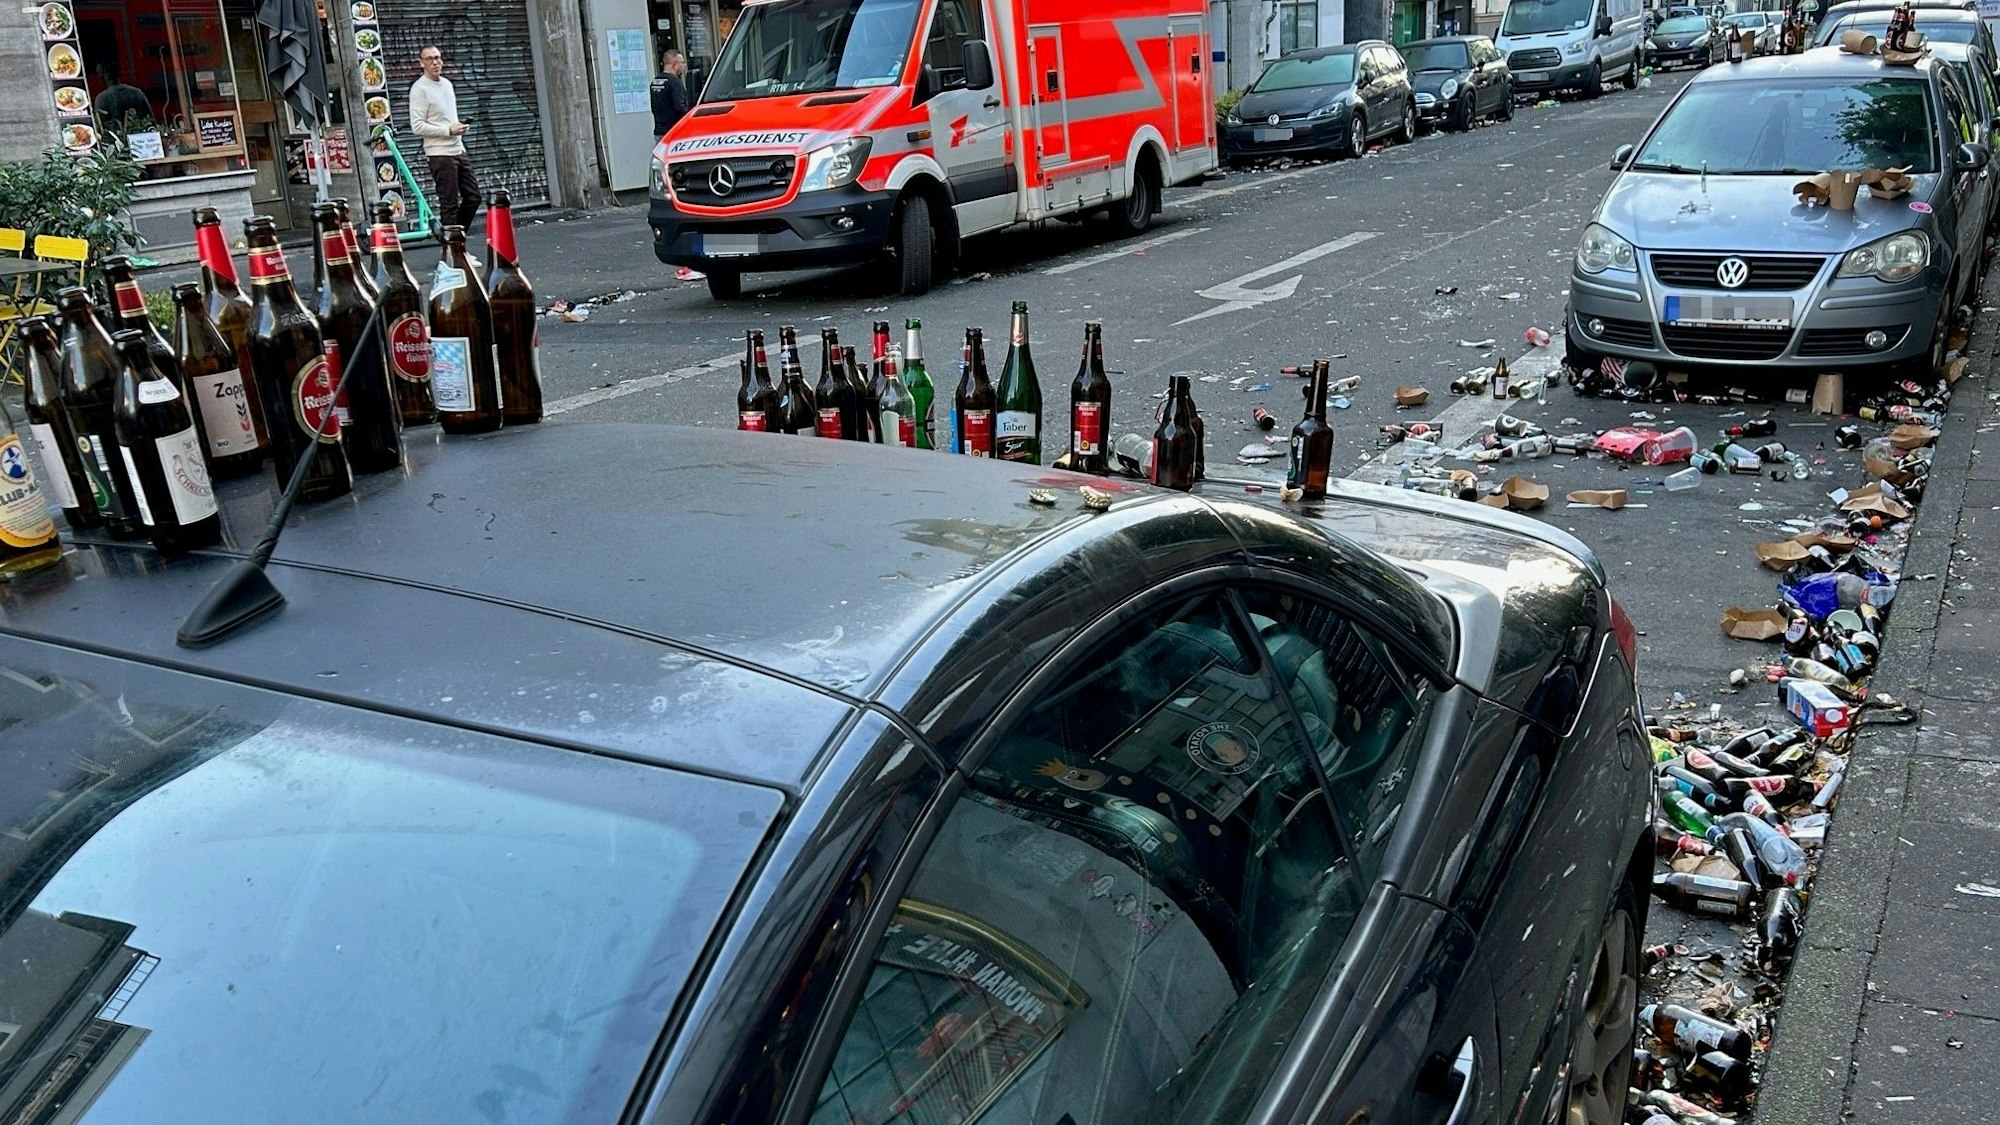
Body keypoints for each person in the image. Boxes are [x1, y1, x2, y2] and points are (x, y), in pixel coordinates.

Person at [409, 45, 481, 232]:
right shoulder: (419, 89)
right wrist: (448, 130)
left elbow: (448, 118)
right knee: (449, 204)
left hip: (458, 149)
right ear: (421, 63)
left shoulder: (447, 84)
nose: (435, 62)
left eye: (438, 58)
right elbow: (417, 126)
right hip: (439, 154)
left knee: (473, 196)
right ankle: (452, 251)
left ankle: (456, 239)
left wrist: (459, 128)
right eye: (430, 59)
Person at [92, 66, 151, 132]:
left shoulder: (101, 98)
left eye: (99, 74)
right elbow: (150, 121)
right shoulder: (137, 92)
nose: (97, 77)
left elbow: (99, 127)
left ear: (105, 76)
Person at [650, 50, 690, 140]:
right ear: (674, 65)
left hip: (659, 131)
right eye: (682, 63)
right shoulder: (675, 83)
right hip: (673, 132)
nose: (684, 65)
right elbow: (680, 107)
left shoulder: (655, 81)